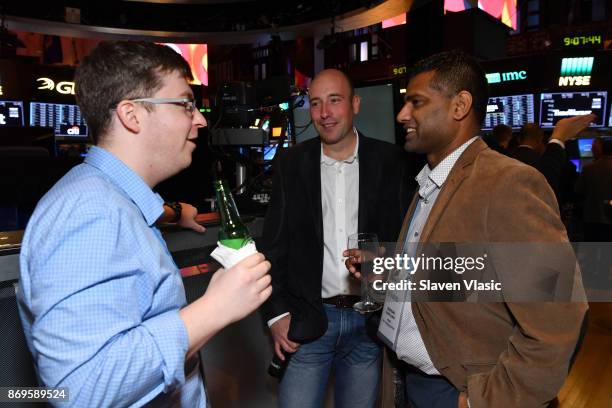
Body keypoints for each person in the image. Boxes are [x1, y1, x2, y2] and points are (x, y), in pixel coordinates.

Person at [17, 41, 272, 407]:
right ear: (132, 115)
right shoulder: (90, 211)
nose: (199, 118)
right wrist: (214, 309)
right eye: (185, 103)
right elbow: (80, 390)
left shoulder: (113, 201)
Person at [349, 50, 588, 407]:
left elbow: (559, 317)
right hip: (412, 382)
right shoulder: (431, 181)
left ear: (460, 106)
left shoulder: (507, 183)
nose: (402, 115)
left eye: (416, 102)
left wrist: (483, 400)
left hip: (459, 391)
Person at [259, 68, 411, 407]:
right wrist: (276, 314)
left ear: (355, 104)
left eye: (334, 101)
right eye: (315, 103)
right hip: (310, 323)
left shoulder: (392, 161)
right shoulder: (291, 163)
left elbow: (406, 240)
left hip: (369, 326)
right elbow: (273, 247)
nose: (325, 113)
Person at [576, 137, 612, 241]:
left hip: (592, 217)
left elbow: (579, 191)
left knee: (591, 251)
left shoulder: (588, 168)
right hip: (610, 219)